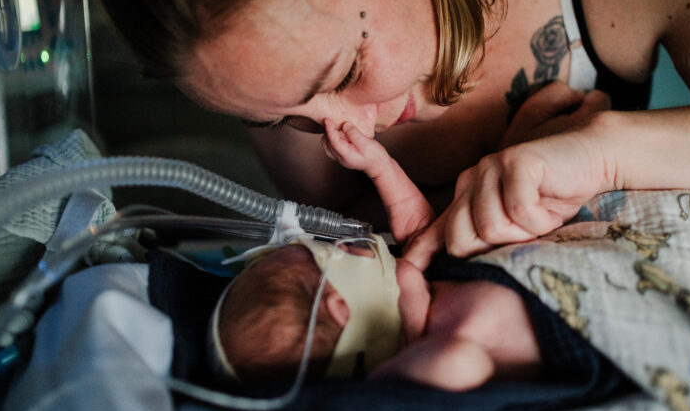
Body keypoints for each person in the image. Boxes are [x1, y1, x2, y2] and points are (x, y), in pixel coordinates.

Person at [87, 0, 690, 270]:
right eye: (277, 120)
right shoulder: (263, 66)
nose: (345, 135)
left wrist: (605, 154)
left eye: (341, 74)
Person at [208, 123, 543, 391]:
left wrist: (380, 167)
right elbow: (462, 363)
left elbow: (418, 228)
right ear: (340, 307)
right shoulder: (432, 343)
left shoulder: (425, 284)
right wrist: (387, 376)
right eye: (333, 252)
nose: (351, 244)